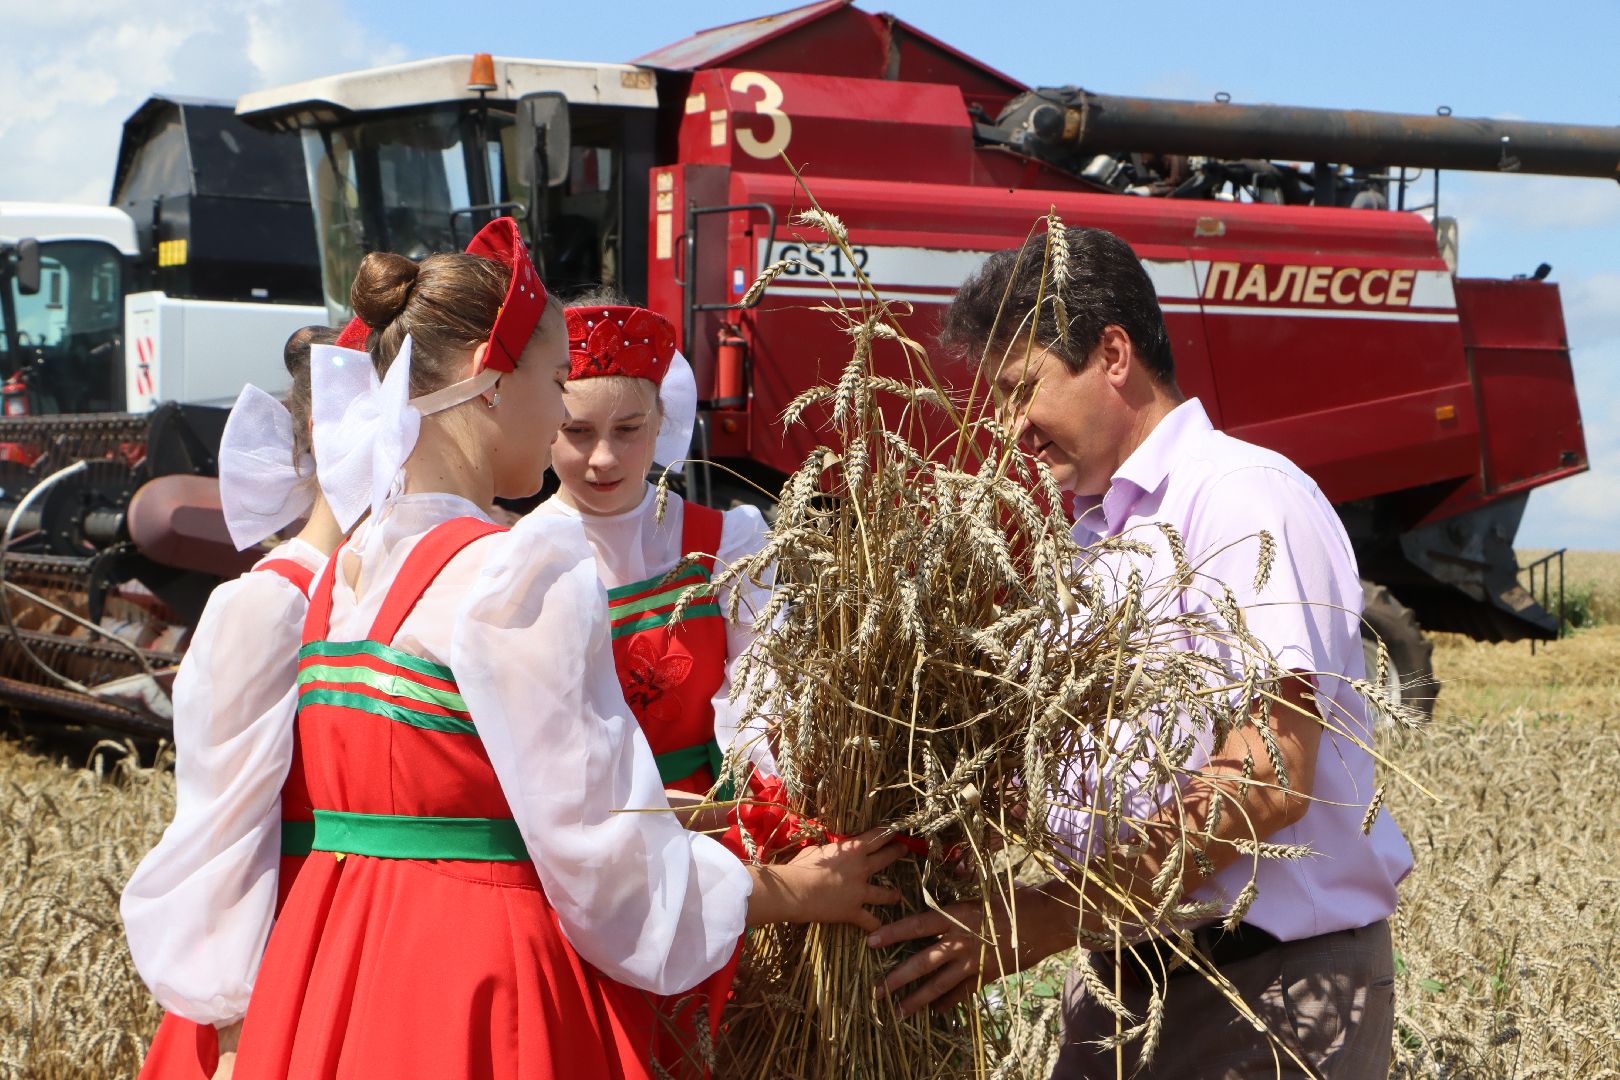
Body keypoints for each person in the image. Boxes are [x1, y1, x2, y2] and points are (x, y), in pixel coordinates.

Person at [230, 219, 902, 1080]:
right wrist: (790, 892)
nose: (561, 416)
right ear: (491, 384)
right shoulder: (516, 573)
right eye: (554, 385)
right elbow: (608, 872)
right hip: (478, 987)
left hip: (339, 975)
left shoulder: (342, 571)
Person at [867, 227, 1414, 1078]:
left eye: (1021, 390)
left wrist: (1042, 918)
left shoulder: (1241, 498)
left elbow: (1269, 775)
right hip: (1120, 977)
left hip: (1264, 994)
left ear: (1113, 355)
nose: (1010, 430)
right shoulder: (1095, 534)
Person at [535, 294, 774, 1076]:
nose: (603, 459)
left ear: (663, 423)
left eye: (628, 430)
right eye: (577, 432)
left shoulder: (723, 542)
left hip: (713, 842)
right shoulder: (521, 557)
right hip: (583, 856)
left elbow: (764, 694)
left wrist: (758, 811)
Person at [122, 324, 366, 1080]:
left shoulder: (393, 588)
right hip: (282, 952)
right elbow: (221, 824)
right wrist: (234, 1023)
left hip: (373, 933)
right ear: (332, 429)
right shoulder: (272, 603)